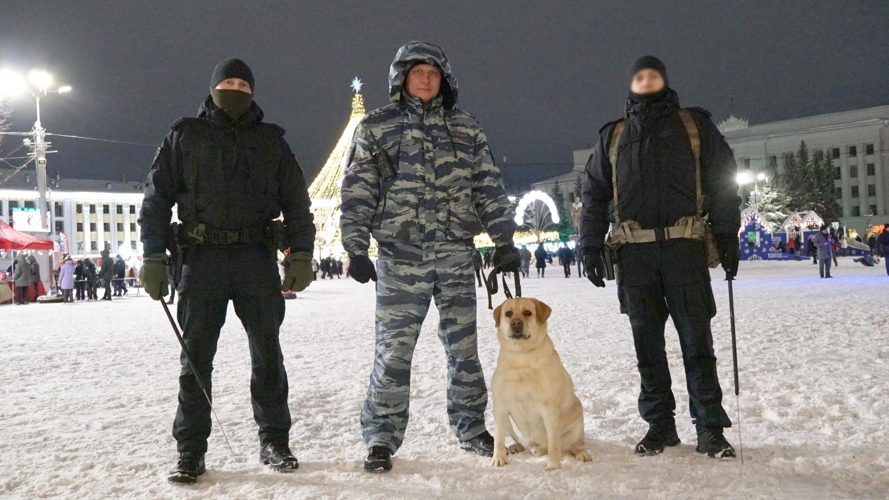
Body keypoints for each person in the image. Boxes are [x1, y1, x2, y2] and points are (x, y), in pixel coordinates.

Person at [340, 41, 520, 473]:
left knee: (464, 350)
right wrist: (355, 246)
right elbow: (358, 189)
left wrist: (504, 239)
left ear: (444, 79)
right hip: (401, 259)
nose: (425, 78)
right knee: (394, 352)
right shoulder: (376, 128)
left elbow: (488, 188)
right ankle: (381, 436)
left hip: (456, 254)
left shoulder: (465, 129)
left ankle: (471, 426)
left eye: (433, 72)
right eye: (417, 71)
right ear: (401, 77)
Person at [138, 58, 315, 484]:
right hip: (202, 262)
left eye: (242, 84)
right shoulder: (184, 136)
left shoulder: (272, 142)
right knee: (196, 359)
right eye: (227, 82)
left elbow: (297, 203)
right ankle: (190, 450)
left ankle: (274, 439)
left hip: (255, 259)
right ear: (213, 88)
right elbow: (156, 200)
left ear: (253, 91)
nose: (234, 89)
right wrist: (153, 256)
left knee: (267, 356)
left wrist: (302, 254)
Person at [579, 56, 739, 458]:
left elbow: (722, 182)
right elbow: (594, 194)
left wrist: (727, 233)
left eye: (653, 74)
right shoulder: (613, 136)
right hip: (635, 255)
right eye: (639, 75)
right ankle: (659, 426)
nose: (646, 80)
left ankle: (709, 428)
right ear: (631, 83)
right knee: (646, 346)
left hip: (684, 248)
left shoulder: (693, 125)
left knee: (696, 343)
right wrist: (589, 244)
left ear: (664, 80)